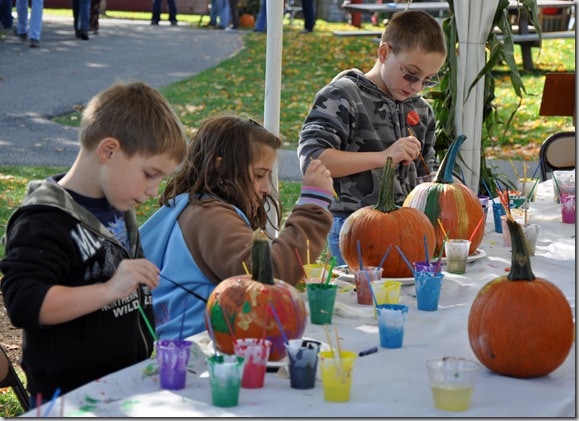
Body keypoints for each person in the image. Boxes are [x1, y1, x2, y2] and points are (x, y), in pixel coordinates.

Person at [0, 81, 187, 405]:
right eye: (149, 174)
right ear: (108, 151)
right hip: (70, 401)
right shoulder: (43, 220)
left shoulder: (119, 208)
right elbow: (25, 302)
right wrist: (109, 290)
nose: (155, 190)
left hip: (125, 387)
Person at [140, 115, 334, 340]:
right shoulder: (211, 218)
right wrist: (313, 204)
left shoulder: (196, 206)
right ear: (221, 168)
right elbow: (268, 277)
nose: (266, 189)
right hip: (202, 350)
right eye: (259, 175)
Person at [297, 10, 447, 266]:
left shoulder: (421, 109)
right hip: (353, 225)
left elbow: (427, 171)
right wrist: (383, 157)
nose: (417, 87)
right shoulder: (343, 96)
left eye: (428, 80)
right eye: (411, 74)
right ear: (385, 53)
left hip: (408, 226)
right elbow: (313, 160)